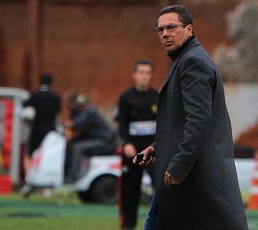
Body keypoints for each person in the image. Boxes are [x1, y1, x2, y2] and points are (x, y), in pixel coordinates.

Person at [134, 5, 248, 229]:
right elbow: (183, 122)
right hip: (177, 177)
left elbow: (199, 122)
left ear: (189, 29)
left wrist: (178, 165)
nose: (165, 34)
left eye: (171, 27)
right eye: (160, 30)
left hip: (192, 177)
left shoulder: (193, 62)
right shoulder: (184, 59)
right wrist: (158, 148)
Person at [116, 59, 159, 230]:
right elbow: (121, 124)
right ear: (134, 75)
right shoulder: (126, 98)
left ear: (151, 76)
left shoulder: (157, 97)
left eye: (147, 73)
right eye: (140, 73)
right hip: (132, 151)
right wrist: (126, 143)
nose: (144, 76)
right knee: (129, 191)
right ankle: (128, 225)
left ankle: (161, 224)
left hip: (154, 151)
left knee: (162, 190)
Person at [66, 94, 116, 181]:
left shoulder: (89, 112)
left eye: (82, 105)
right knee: (75, 144)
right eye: (79, 105)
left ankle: (75, 175)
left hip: (103, 141)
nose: (80, 107)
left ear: (86, 104)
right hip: (99, 139)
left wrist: (69, 124)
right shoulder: (86, 112)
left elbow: (76, 123)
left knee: (78, 148)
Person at [22, 73, 61, 172]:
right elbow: (58, 114)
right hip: (51, 130)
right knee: (48, 154)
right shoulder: (56, 97)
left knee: (29, 154)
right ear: (51, 83)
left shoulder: (35, 95)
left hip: (37, 129)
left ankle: (29, 177)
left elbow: (22, 109)